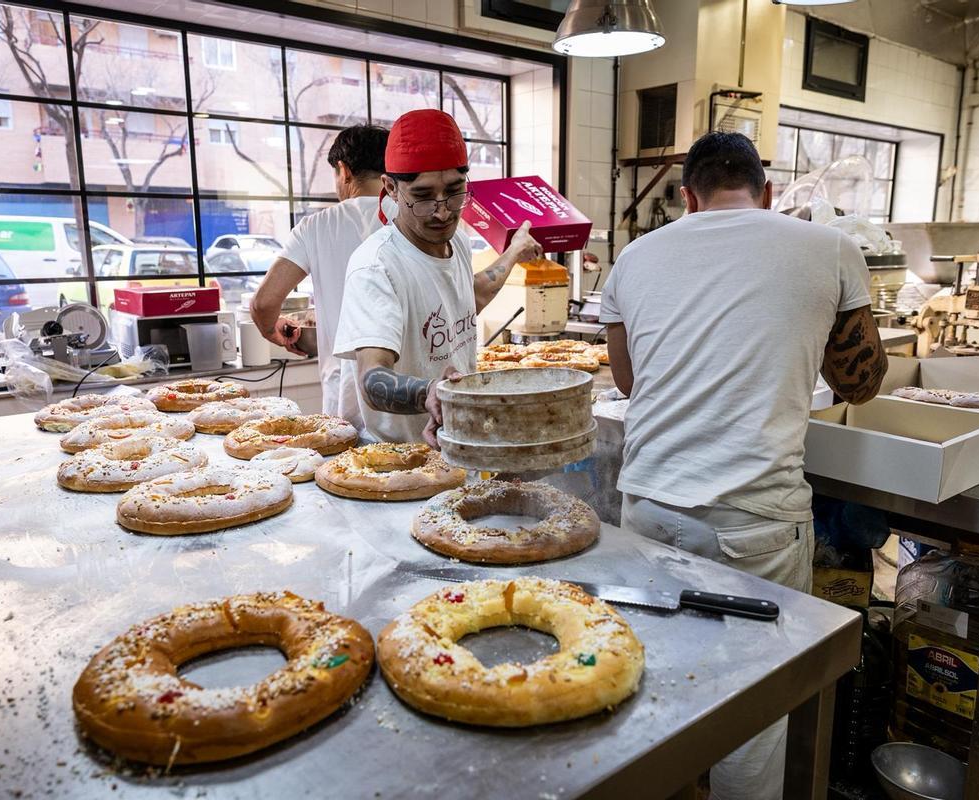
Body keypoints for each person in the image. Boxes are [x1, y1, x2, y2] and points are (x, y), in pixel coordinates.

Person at [600, 131, 886, 800]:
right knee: (749, 711)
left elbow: (630, 381)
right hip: (751, 522)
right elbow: (858, 384)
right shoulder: (831, 248)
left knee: (652, 686)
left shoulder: (634, 258)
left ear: (686, 198)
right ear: (767, 192)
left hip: (645, 509)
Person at [334, 109, 542, 445]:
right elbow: (372, 379)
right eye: (423, 196)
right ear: (391, 188)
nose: (443, 211)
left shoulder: (455, 240)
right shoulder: (377, 266)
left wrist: (515, 251)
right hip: (397, 462)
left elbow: (467, 297)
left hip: (458, 443)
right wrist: (428, 391)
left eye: (455, 191)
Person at [249, 124, 390, 429]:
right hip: (411, 390)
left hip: (348, 395)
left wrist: (272, 330)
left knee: (347, 473)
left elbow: (264, 303)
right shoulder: (415, 222)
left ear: (344, 170)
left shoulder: (317, 226)